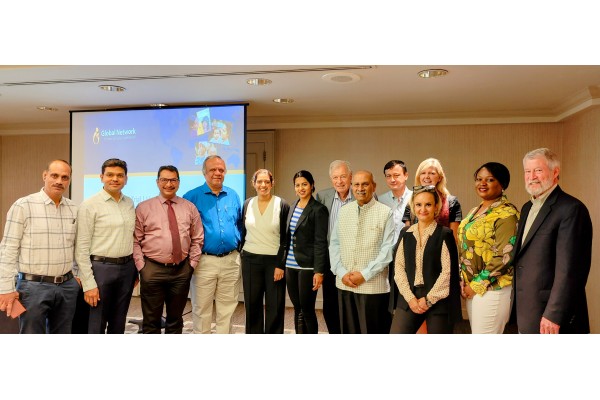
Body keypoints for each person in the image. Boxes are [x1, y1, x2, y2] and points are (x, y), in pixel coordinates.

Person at [512, 148, 593, 334]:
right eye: (527, 171)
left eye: (538, 170)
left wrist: (554, 314)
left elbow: (571, 269)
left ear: (555, 172)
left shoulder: (571, 209)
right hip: (527, 310)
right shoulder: (526, 208)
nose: (531, 177)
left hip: (551, 316)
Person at [0, 160, 79, 333]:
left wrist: (77, 275)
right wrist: (5, 288)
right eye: (54, 175)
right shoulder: (23, 206)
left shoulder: (74, 208)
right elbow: (8, 249)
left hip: (67, 287)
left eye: (64, 177)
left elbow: (77, 246)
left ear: (69, 180)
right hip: (33, 287)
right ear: (45, 176)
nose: (59, 181)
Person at [133, 165, 204, 333]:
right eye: (164, 180)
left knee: (175, 320)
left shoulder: (189, 207)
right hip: (152, 269)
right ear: (157, 182)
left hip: (181, 270)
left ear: (178, 182)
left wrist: (191, 265)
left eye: (173, 180)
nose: (169, 184)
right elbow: (135, 240)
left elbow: (197, 238)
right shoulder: (144, 207)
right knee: (151, 321)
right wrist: (142, 267)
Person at [74, 158, 138, 334]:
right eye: (110, 175)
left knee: (119, 321)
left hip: (126, 269)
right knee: (96, 322)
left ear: (126, 179)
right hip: (100, 269)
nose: (115, 179)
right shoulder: (89, 205)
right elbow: (81, 248)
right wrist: (88, 284)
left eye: (120, 175)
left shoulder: (129, 203)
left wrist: (135, 272)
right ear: (101, 177)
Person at [330, 170, 394, 334]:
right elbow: (334, 244)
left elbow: (387, 251)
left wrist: (364, 274)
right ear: (351, 187)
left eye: (365, 184)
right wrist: (341, 272)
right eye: (356, 184)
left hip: (373, 287)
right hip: (344, 283)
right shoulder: (344, 211)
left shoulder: (385, 212)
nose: (360, 188)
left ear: (374, 186)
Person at [183, 155, 242, 334]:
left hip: (231, 260)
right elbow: (184, 231)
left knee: (228, 309)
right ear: (204, 173)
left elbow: (239, 224)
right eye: (213, 170)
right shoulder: (191, 197)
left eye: (221, 170)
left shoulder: (233, 195)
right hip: (204, 261)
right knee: (202, 309)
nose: (218, 173)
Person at [390, 185, 461, 334]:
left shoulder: (445, 234)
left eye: (428, 204)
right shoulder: (406, 233)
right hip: (409, 296)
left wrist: (428, 300)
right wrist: (410, 298)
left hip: (438, 299)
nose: (423, 209)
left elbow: (447, 273)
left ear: (436, 207)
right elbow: (399, 268)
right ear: (413, 207)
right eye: (418, 205)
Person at [458, 162, 519, 334]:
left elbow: (504, 257)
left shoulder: (507, 214)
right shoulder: (475, 210)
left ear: (502, 184)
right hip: (472, 288)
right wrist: (464, 280)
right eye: (479, 179)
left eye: (490, 180)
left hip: (492, 288)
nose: (482, 183)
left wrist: (476, 285)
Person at [240, 169, 290, 334]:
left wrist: (280, 265)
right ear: (253, 184)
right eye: (259, 182)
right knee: (252, 304)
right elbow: (242, 232)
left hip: (274, 262)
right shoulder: (247, 204)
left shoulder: (281, 204)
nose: (263, 185)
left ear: (272, 183)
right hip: (250, 260)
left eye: (267, 182)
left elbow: (286, 238)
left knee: (275, 305)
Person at [285, 170, 329, 334]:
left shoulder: (318, 209)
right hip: (290, 266)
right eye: (297, 185)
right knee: (297, 308)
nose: (301, 188)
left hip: (308, 267)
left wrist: (319, 271)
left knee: (307, 308)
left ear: (311, 185)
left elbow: (320, 242)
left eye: (304, 184)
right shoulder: (292, 207)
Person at [315, 160, 354, 334]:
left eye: (343, 176)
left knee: (351, 302)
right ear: (331, 179)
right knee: (330, 304)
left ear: (350, 177)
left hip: (353, 258)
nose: (339, 181)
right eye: (335, 177)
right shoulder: (323, 196)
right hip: (330, 258)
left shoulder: (361, 195)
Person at [378, 160, 413, 314]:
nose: (392, 179)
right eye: (388, 176)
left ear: (406, 175)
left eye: (396, 175)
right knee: (387, 294)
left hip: (409, 253)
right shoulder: (380, 200)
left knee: (406, 293)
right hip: (387, 254)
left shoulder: (416, 198)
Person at [405, 158, 462, 242]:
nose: (426, 176)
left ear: (440, 178)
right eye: (423, 173)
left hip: (443, 247)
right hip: (416, 247)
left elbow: (454, 239)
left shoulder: (452, 202)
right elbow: (408, 236)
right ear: (419, 177)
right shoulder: (411, 202)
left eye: (431, 173)